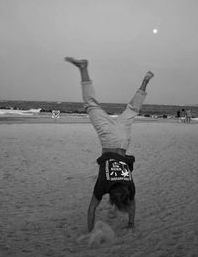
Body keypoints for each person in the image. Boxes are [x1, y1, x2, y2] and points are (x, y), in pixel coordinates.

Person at [64, 57, 154, 232]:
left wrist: (131, 223)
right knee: (91, 105)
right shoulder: (103, 184)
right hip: (108, 140)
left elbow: (133, 204)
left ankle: (145, 81)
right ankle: (83, 68)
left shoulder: (129, 185)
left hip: (123, 141)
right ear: (110, 197)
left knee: (132, 110)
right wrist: (90, 233)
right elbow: (92, 209)